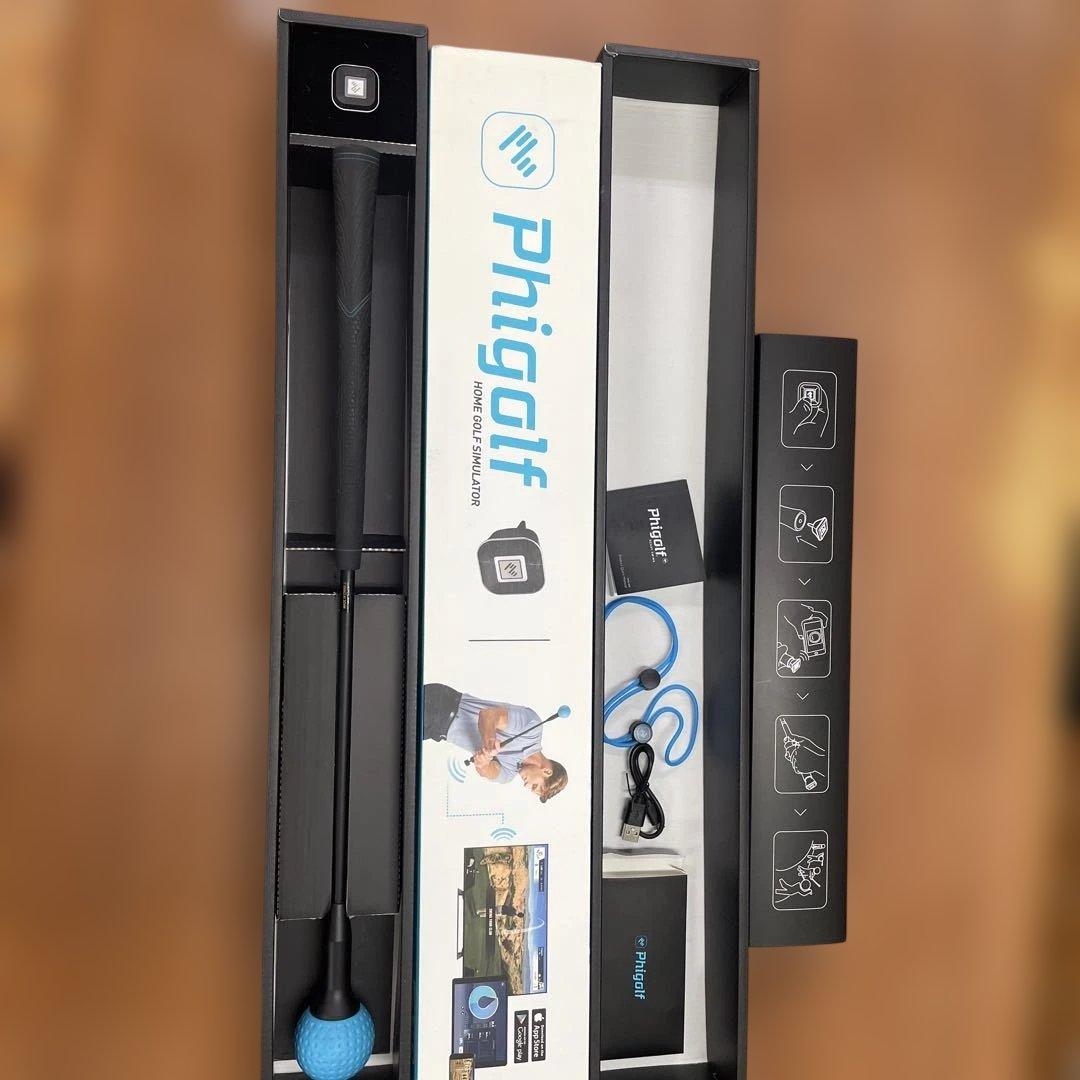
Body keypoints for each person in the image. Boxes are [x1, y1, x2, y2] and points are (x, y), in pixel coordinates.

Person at [423, 683, 568, 803]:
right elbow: (488, 715)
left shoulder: (509, 774)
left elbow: (488, 771)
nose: (526, 786)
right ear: (547, 771)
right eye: (534, 786)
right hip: (442, 705)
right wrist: (489, 742)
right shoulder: (532, 728)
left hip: (437, 731)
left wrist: (483, 763)